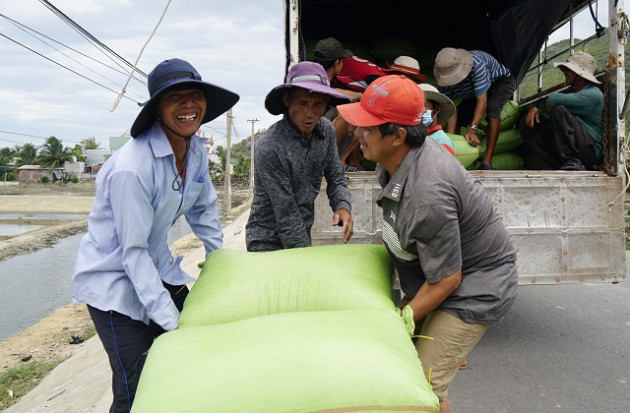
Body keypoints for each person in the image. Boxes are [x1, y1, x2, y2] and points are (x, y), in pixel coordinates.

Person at [337, 75, 518, 413]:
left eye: (367, 128)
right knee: (406, 363)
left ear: (398, 136)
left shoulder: (428, 190)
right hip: (437, 276)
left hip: (473, 288)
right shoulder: (391, 164)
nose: (357, 134)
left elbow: (448, 278)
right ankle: (442, 349)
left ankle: (446, 347)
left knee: (422, 386)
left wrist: (403, 318)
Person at [72, 58, 239, 412]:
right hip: (113, 284)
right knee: (136, 386)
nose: (188, 105)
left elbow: (202, 207)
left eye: (195, 95)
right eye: (175, 98)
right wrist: (170, 321)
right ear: (157, 110)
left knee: (188, 357)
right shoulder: (132, 169)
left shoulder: (194, 150)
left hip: (157, 267)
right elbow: (132, 254)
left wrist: (218, 259)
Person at [246, 61, 354, 252]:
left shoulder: (326, 132)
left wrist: (342, 206)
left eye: (318, 105)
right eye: (303, 104)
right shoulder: (270, 147)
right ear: (287, 100)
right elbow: (286, 213)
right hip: (266, 242)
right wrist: (305, 257)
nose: (310, 114)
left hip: (300, 233)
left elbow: (336, 177)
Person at [433, 47, 517, 170]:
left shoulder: (477, 64)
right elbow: (452, 109)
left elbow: (482, 100)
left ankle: (487, 161)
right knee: (461, 115)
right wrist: (450, 138)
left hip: (500, 81)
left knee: (492, 109)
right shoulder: (444, 80)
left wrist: (472, 129)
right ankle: (454, 159)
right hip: (473, 90)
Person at [518, 51, 603, 171]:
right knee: (527, 125)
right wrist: (537, 114)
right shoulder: (573, 95)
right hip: (576, 146)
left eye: (569, 70)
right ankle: (558, 163)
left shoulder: (593, 94)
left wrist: (552, 102)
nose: (565, 73)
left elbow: (552, 100)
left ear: (579, 74)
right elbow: (559, 125)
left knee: (558, 109)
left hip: (589, 152)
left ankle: (573, 161)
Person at [419, 83, 456, 155]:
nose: (419, 111)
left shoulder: (441, 142)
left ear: (437, 109)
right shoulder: (415, 137)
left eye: (424, 106)